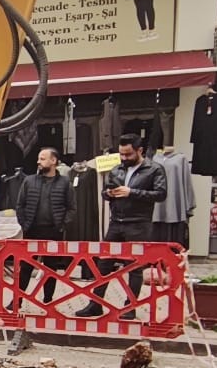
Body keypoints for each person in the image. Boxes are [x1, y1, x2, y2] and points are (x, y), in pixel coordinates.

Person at [77, 135, 166, 318]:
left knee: (134, 267)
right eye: (121, 154)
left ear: (139, 150)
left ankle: (130, 307)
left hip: (139, 223)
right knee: (103, 264)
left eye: (128, 154)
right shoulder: (117, 169)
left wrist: (132, 192)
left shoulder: (155, 169)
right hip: (116, 222)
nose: (124, 158)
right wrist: (108, 193)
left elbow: (160, 194)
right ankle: (95, 304)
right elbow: (106, 191)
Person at [14, 147, 76, 309]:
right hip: (32, 231)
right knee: (25, 268)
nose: (38, 162)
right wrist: (24, 224)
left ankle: (48, 302)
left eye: (42, 158)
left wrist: (62, 225)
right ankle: (17, 301)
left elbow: (71, 208)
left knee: (51, 268)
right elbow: (20, 205)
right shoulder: (29, 181)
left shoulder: (64, 183)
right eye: (39, 158)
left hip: (53, 231)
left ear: (53, 161)